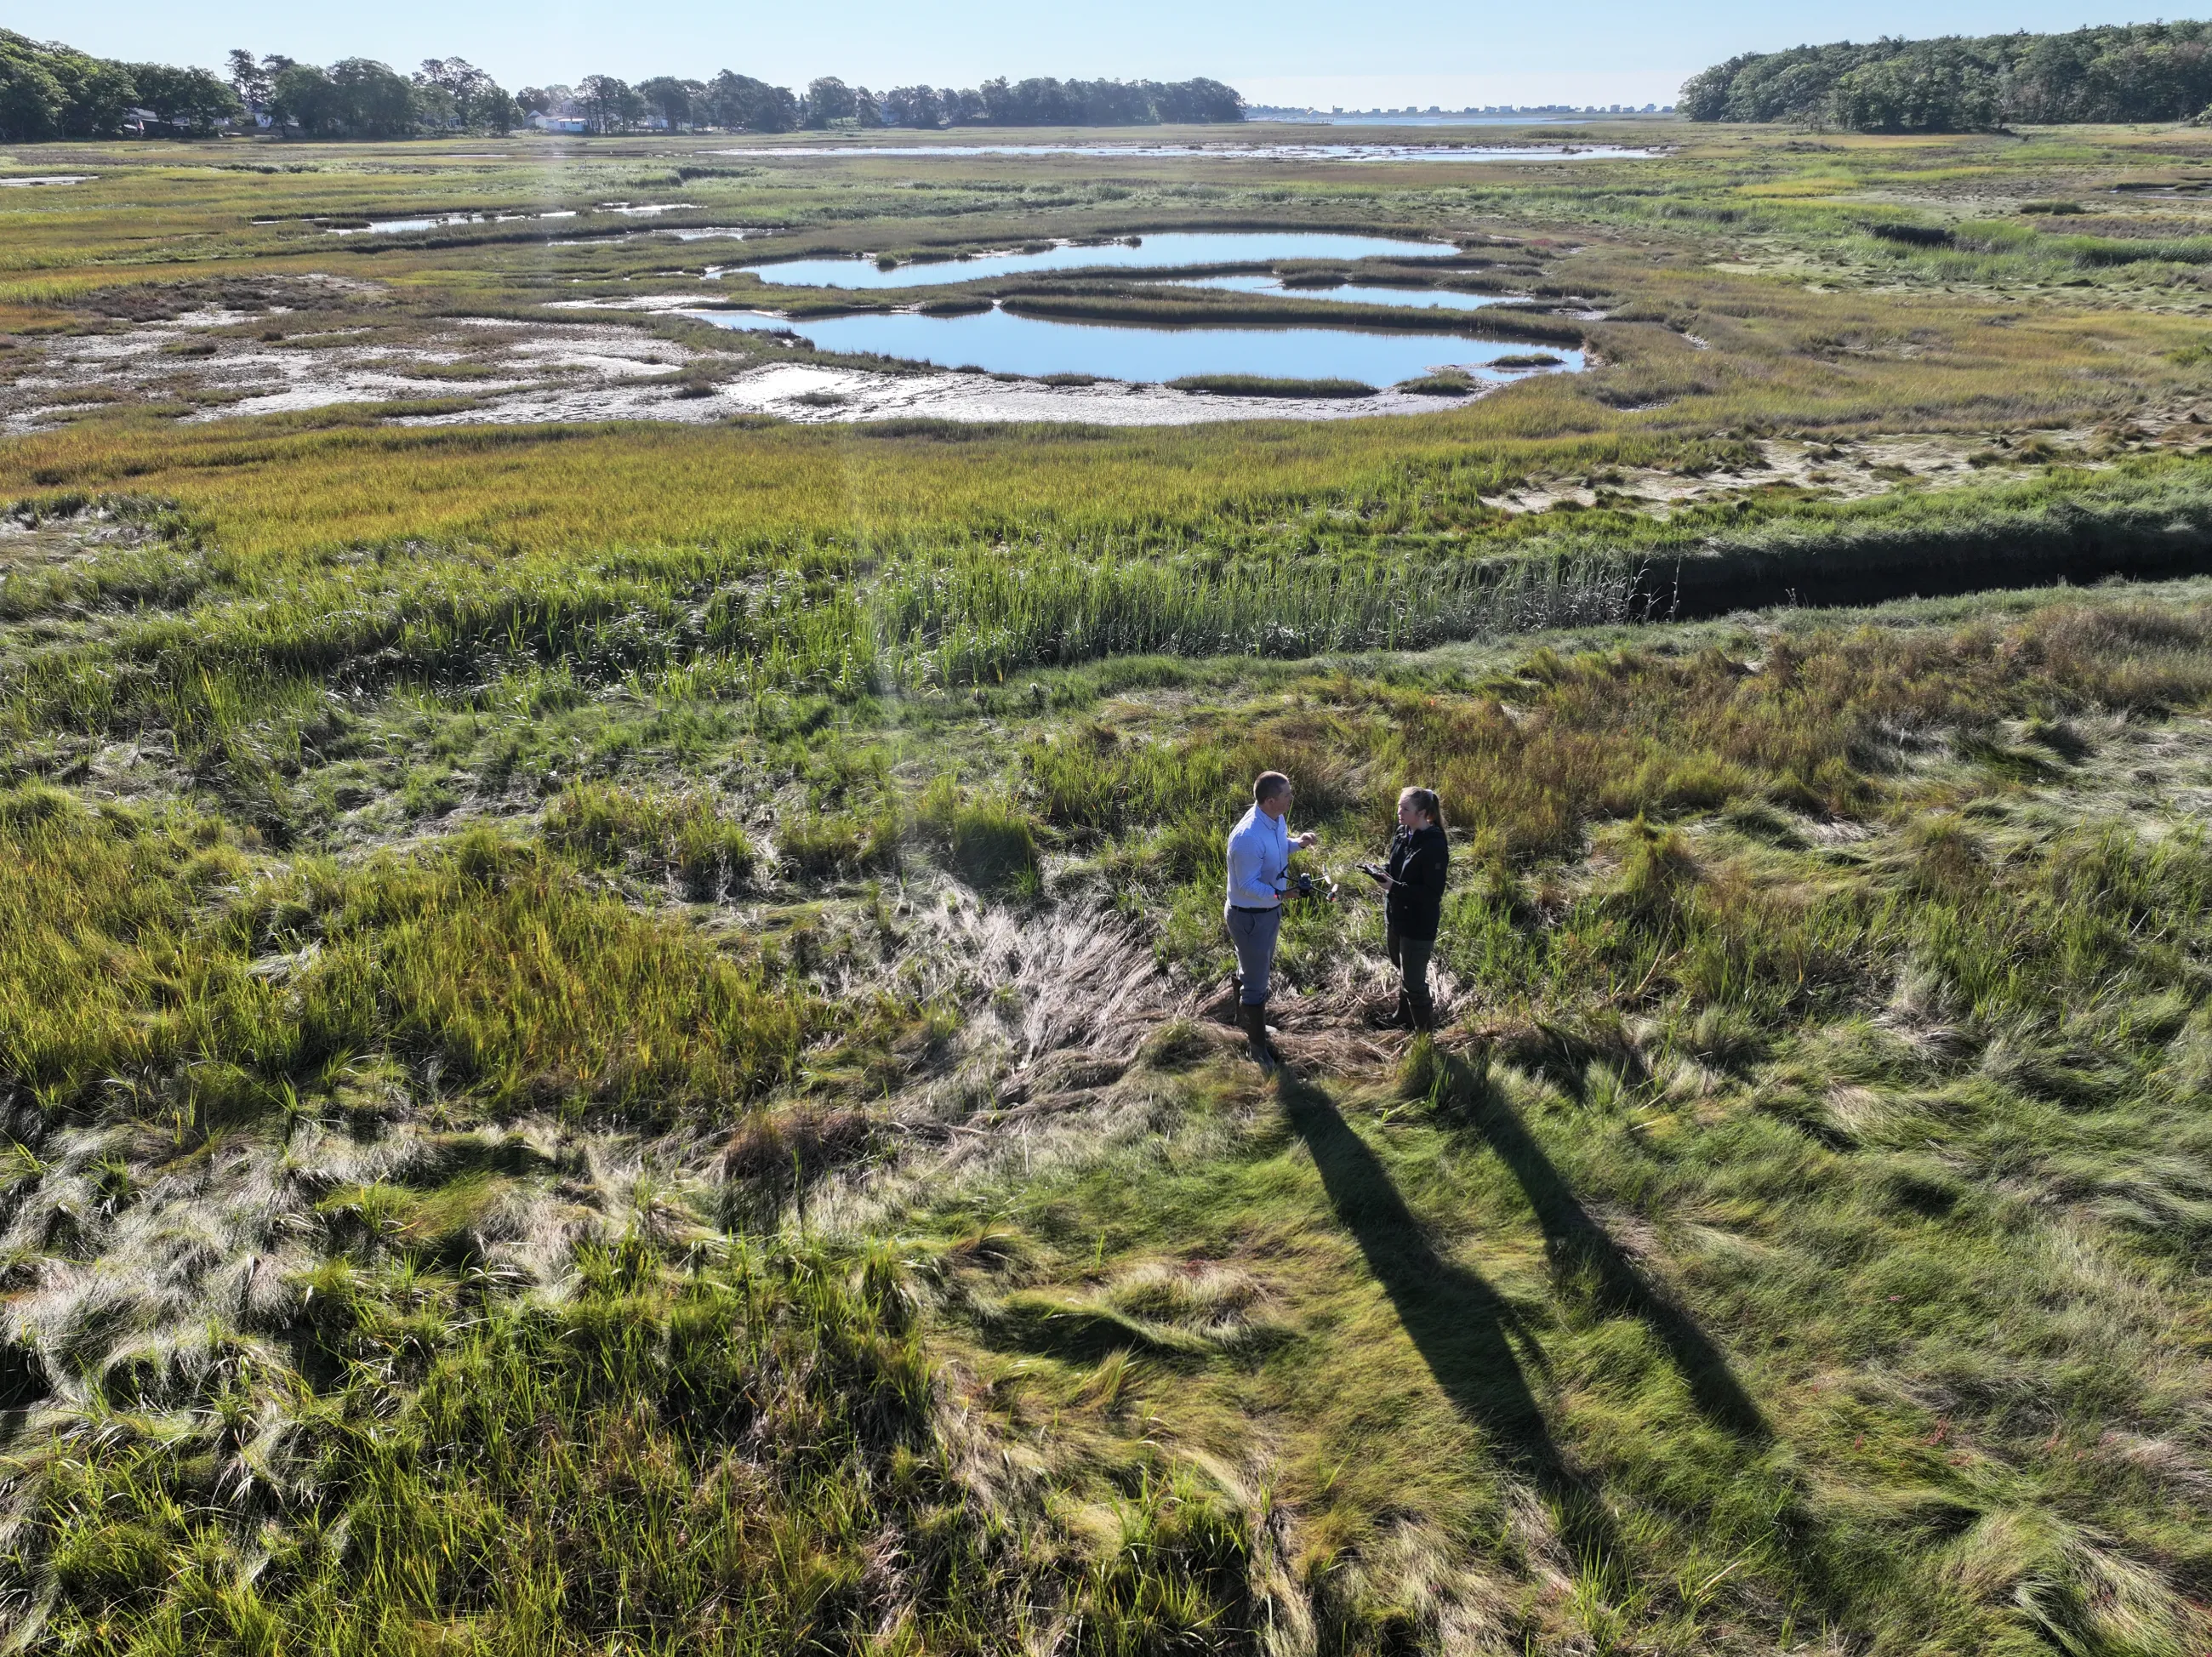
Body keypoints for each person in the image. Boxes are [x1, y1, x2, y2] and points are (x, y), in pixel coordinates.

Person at [1224, 770, 1316, 1065]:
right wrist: (1283, 896)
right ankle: (1257, 1048)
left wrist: (1297, 843)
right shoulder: (1247, 837)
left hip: (1265, 912)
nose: (1292, 798)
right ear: (1270, 800)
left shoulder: (1274, 819)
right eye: (1287, 795)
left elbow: (1277, 847)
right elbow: (1247, 885)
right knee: (1257, 983)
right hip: (1250, 917)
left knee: (1252, 969)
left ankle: (1244, 1022)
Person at [1372, 785, 1448, 1030]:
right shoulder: (1402, 833)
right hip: (1395, 916)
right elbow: (1396, 866)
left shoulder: (1434, 846)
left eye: (1405, 809)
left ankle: (1425, 1038)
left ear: (1423, 813)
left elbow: (1431, 893)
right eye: (1398, 806)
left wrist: (1394, 887)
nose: (1399, 812)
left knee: (1414, 983)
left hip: (1418, 923)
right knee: (1402, 970)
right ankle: (1403, 1017)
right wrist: (1382, 872)